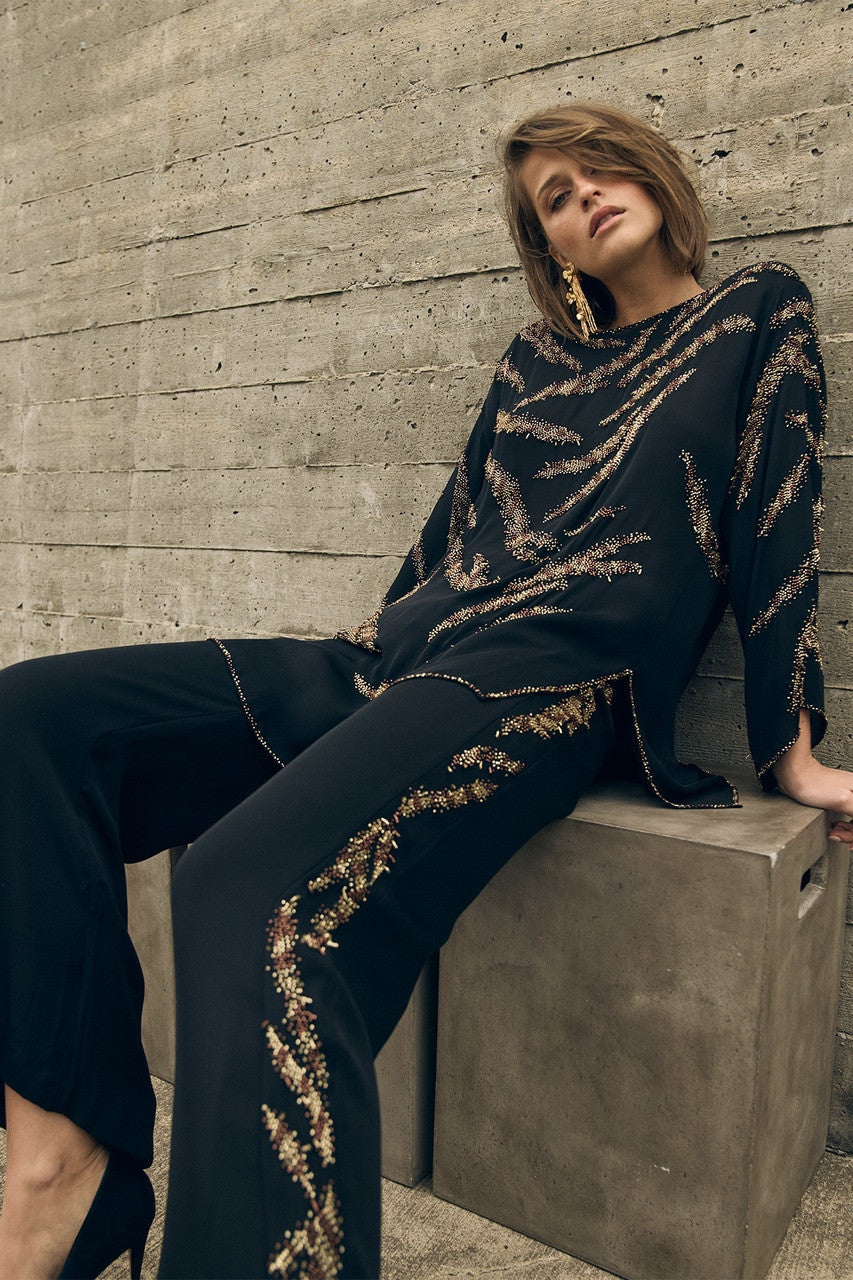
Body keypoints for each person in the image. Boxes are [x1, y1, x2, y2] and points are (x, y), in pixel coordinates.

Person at [0, 101, 851, 1280]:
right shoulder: (532, 361)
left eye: (598, 167)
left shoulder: (755, 312)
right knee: (30, 719)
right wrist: (363, 666)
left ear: (652, 175)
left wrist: (790, 750)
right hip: (396, 657)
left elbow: (777, 516)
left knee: (250, 888)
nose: (584, 194)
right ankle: (61, 1162)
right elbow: (454, 534)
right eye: (554, 197)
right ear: (549, 248)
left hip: (554, 671)